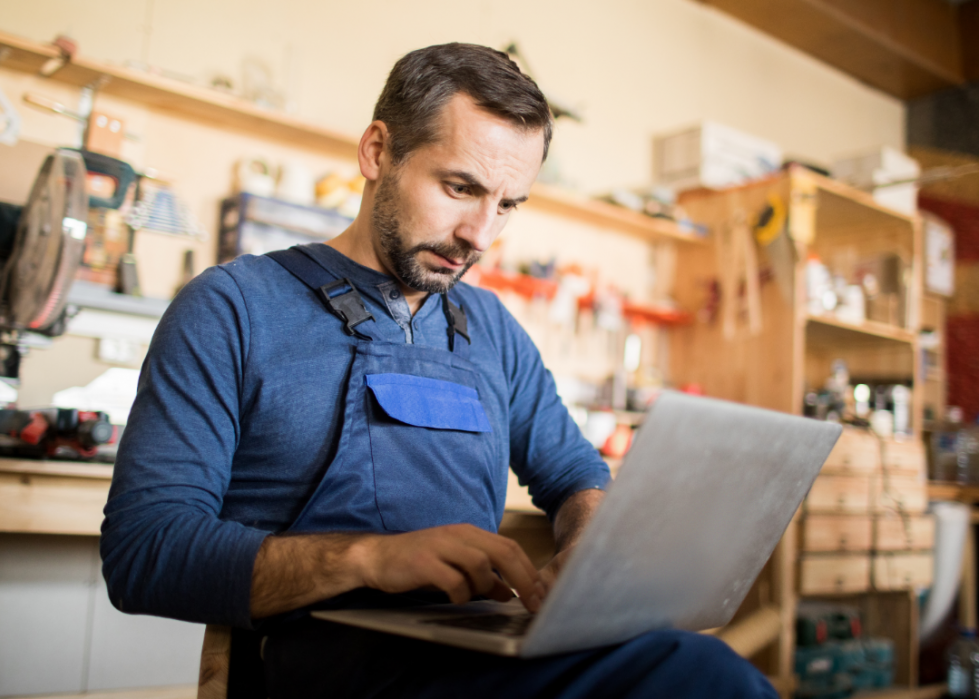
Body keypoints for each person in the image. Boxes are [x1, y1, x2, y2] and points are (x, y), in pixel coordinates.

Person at [101, 43, 777, 698]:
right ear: (377, 152)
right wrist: (369, 557)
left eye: (509, 204)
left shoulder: (490, 329)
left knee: (691, 665)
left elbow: (575, 476)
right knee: (701, 676)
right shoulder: (233, 307)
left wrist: (592, 544)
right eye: (461, 187)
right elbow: (145, 552)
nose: (480, 234)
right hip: (322, 667)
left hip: (475, 649)